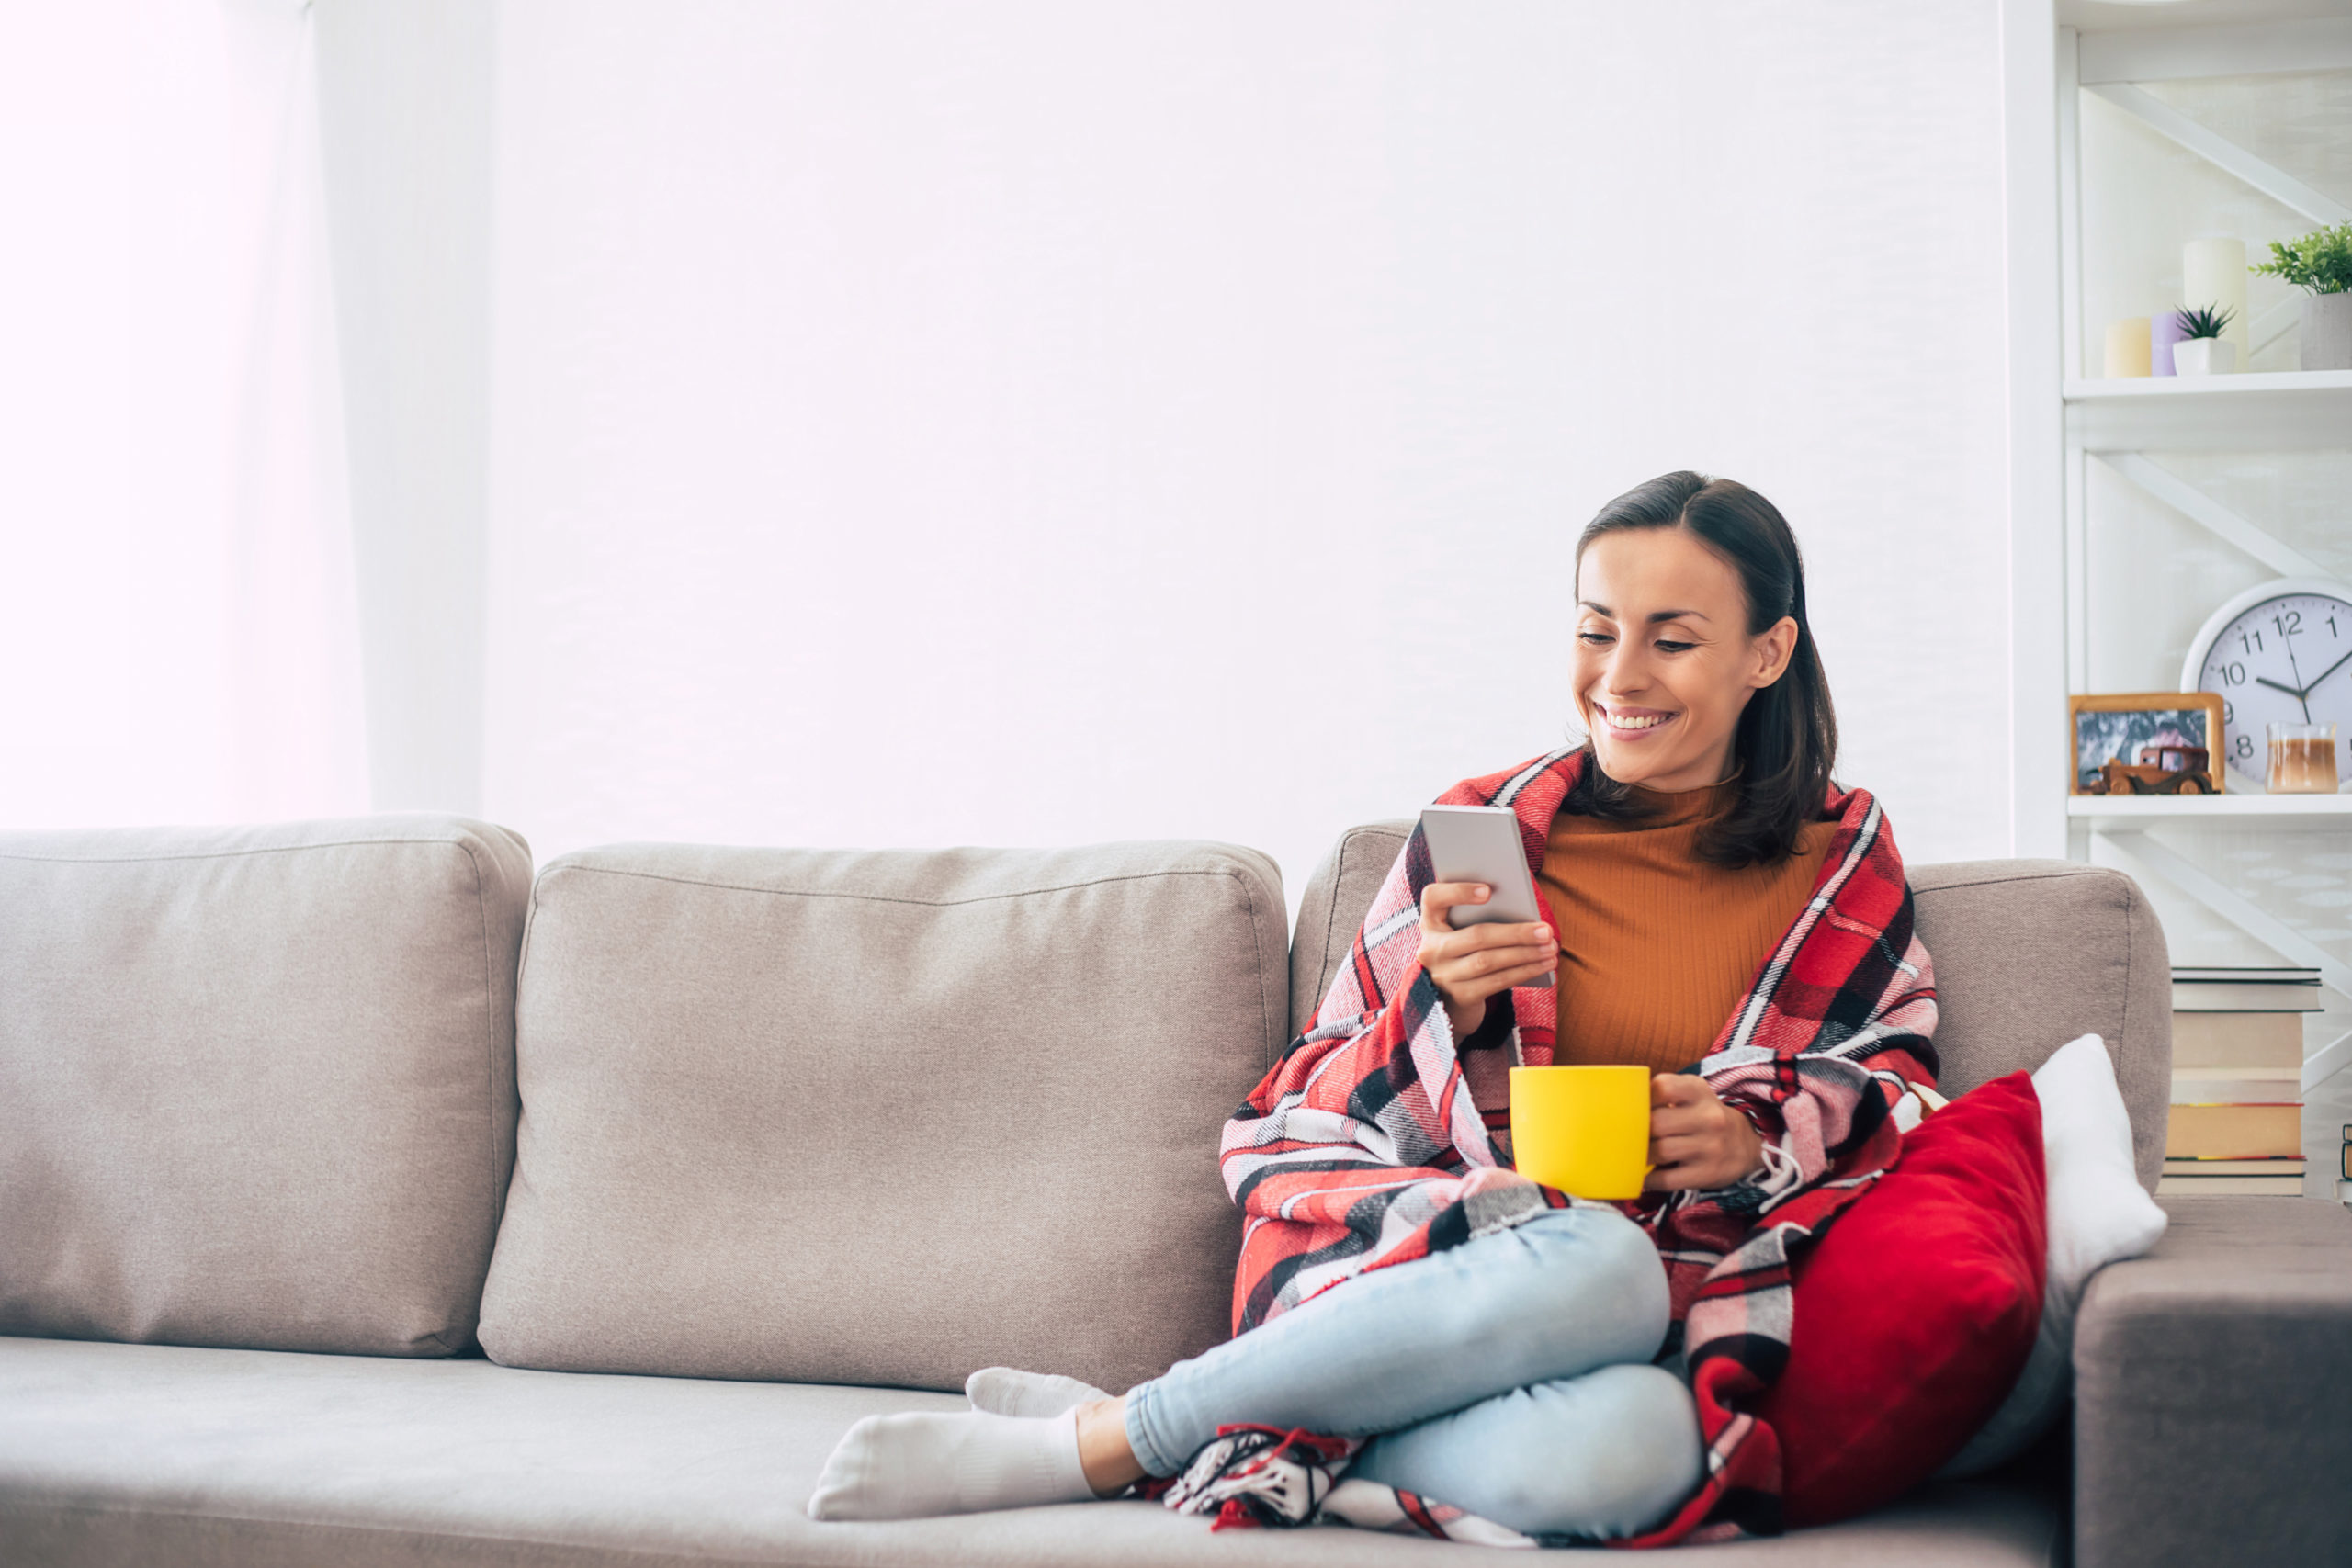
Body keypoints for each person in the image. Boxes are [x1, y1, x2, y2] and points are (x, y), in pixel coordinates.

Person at [805, 471, 1938, 1544]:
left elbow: (1899, 1094)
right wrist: (1437, 1012)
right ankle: (1108, 1441)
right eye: (1596, 631)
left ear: (1766, 652)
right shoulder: (1487, 831)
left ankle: (1242, 1435)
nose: (1619, 676)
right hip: (1420, 1262)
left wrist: (1754, 1143)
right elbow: (1309, 1091)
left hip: (1664, 1304)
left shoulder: (1839, 861)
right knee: (1600, 1264)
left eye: (1671, 640)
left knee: (1644, 1449)